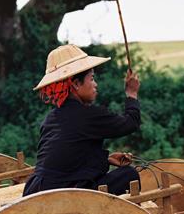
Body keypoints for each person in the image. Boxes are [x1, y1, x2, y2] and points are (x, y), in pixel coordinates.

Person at [23, 44, 141, 196]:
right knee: (129, 175)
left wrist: (107, 159)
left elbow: (67, 159)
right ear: (76, 84)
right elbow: (131, 122)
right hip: (65, 194)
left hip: (36, 191)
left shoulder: (50, 118)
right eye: (91, 79)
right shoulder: (89, 115)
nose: (95, 85)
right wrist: (131, 93)